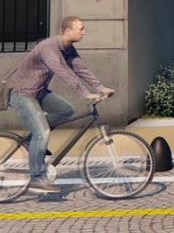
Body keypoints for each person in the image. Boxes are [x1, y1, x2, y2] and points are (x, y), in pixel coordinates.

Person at [7, 16, 115, 194]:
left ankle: (35, 139)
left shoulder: (68, 49)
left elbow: (80, 69)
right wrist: (85, 94)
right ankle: (37, 178)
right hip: (22, 93)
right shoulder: (48, 47)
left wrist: (101, 88)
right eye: (80, 29)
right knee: (42, 132)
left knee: (66, 110)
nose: (84, 32)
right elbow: (63, 72)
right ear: (67, 31)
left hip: (38, 91)